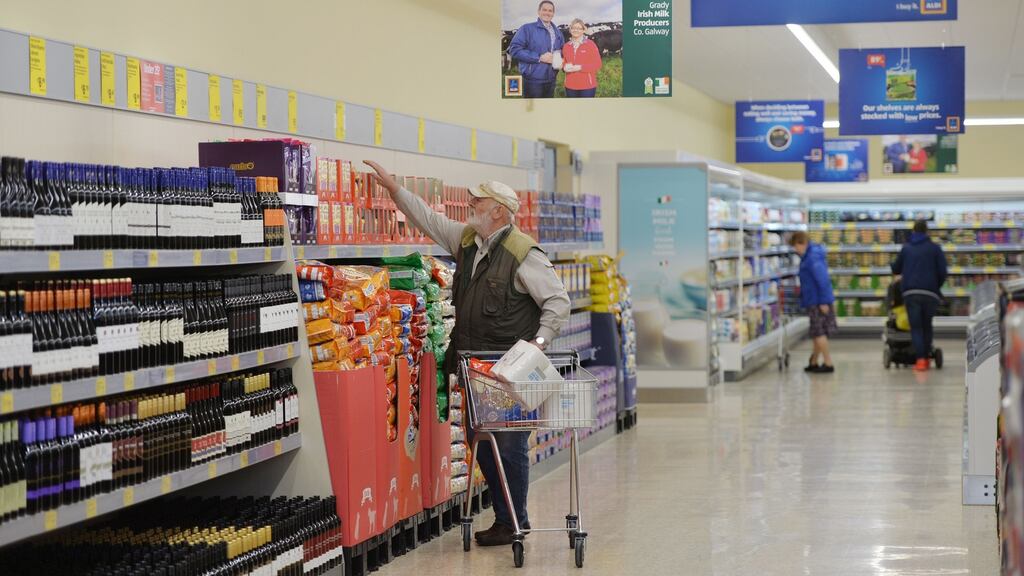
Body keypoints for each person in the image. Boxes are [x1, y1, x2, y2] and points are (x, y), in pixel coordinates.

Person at [363, 160, 570, 546]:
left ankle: (515, 522)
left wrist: (536, 348)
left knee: (508, 445)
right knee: (481, 441)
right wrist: (394, 189)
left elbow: (557, 303)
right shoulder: (467, 242)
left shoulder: (524, 253)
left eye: (479, 201)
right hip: (474, 367)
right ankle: (505, 516)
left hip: (509, 370)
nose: (471, 204)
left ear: (499, 212)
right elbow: (428, 218)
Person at [891, 220, 948, 371]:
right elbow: (943, 272)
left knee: (916, 327)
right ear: (927, 231)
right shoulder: (935, 249)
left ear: (913, 231)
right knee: (926, 326)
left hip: (911, 293)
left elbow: (896, 268)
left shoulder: (907, 248)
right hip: (930, 293)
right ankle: (928, 356)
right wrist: (936, 286)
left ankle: (921, 360)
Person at [789, 231, 837, 373]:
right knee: (817, 332)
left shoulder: (812, 258)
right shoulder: (810, 256)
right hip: (813, 300)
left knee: (819, 332)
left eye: (795, 246)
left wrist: (823, 302)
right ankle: (814, 361)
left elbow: (822, 280)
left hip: (817, 301)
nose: (795, 250)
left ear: (802, 243)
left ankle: (828, 363)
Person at [507, 1, 564, 98]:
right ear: (538, 11)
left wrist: (561, 60)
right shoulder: (527, 28)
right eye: (544, 10)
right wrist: (539, 57)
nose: (547, 12)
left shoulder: (558, 32)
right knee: (532, 111)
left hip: (551, 79)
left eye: (550, 11)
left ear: (553, 13)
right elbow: (514, 49)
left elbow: (562, 51)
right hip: (532, 80)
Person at [561, 18, 602, 98]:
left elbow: (598, 64)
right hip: (570, 85)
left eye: (579, 28)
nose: (576, 30)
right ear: (570, 30)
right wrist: (564, 67)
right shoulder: (566, 46)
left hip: (587, 86)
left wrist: (579, 67)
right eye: (573, 28)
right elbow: (564, 62)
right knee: (573, 109)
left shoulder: (590, 45)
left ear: (583, 30)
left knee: (586, 110)